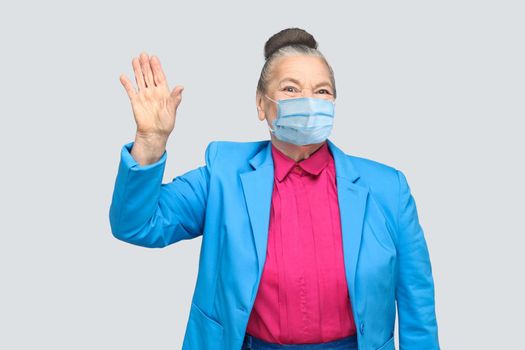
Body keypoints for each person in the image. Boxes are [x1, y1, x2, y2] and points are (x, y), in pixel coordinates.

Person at [109, 27, 440, 350]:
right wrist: (150, 142)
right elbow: (136, 225)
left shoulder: (387, 188)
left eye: (322, 91)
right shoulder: (223, 175)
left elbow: (417, 303)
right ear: (260, 104)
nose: (309, 101)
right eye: (291, 89)